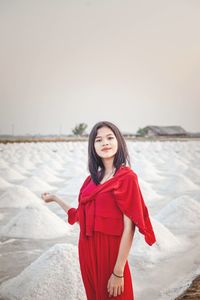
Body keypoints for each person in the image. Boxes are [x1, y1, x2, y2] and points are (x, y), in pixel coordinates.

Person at [41, 121, 156, 300]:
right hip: (87, 252)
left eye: (110, 138)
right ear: (92, 147)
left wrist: (118, 272)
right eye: (98, 140)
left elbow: (129, 228)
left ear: (119, 142)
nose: (105, 143)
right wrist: (56, 198)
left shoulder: (127, 178)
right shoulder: (90, 181)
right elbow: (80, 217)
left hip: (110, 254)